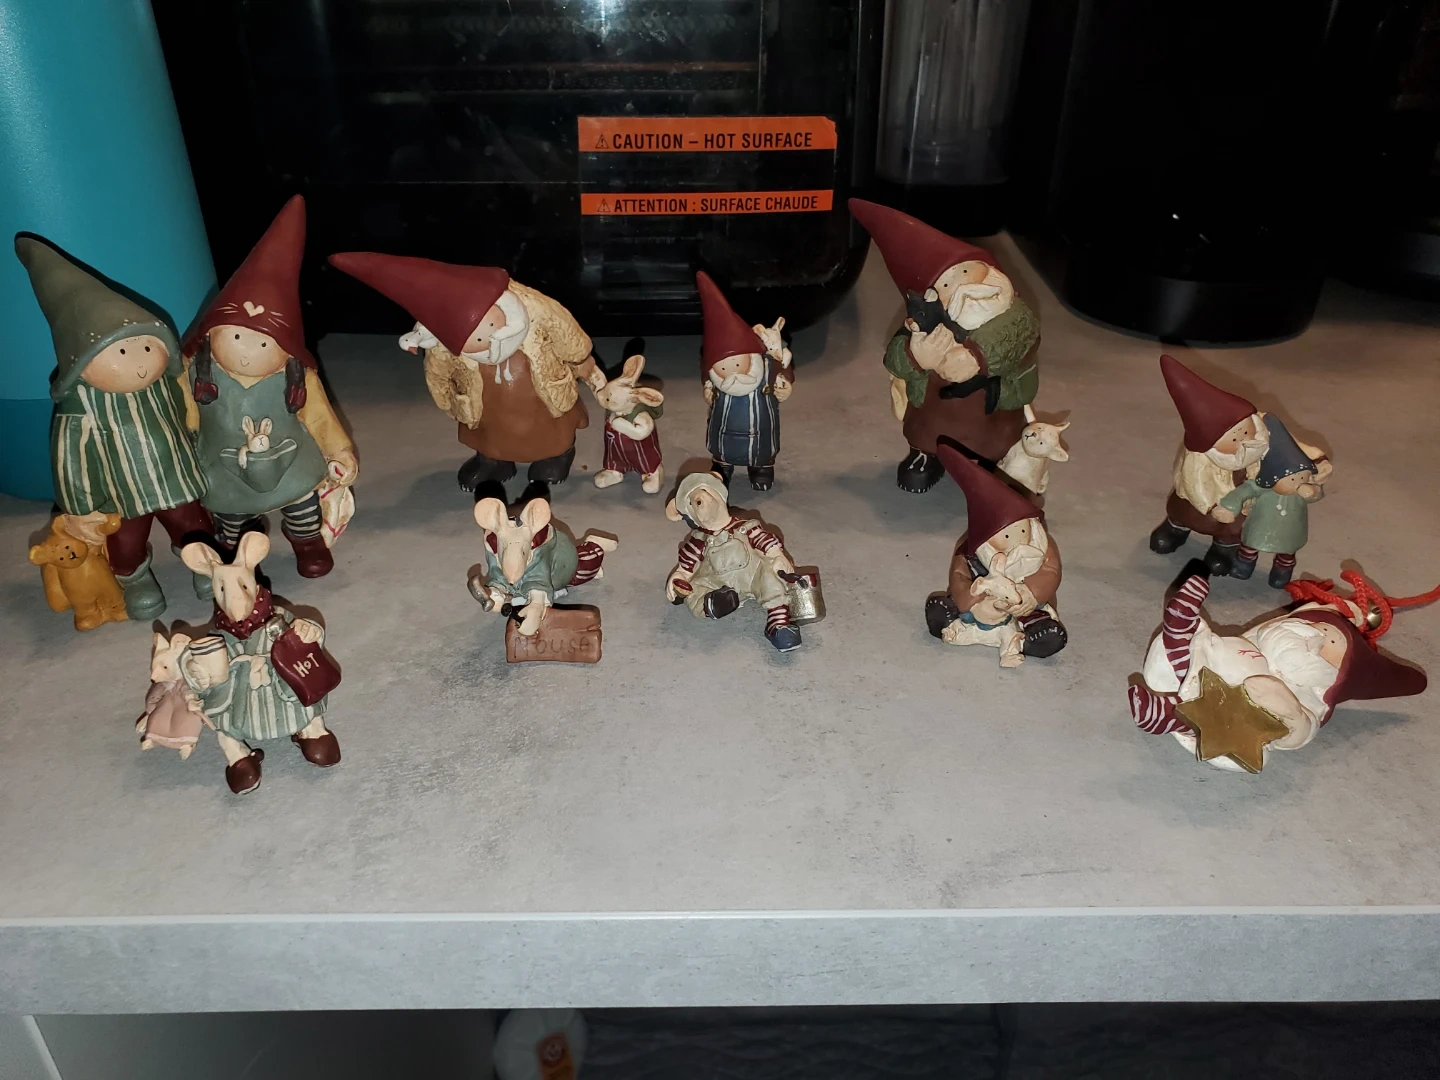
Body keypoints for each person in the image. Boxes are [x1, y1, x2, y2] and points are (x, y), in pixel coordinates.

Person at [15, 236, 213, 618]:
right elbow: (71, 461)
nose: (139, 363)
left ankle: (204, 562)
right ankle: (134, 578)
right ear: (81, 362)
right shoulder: (81, 408)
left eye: (147, 346)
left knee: (194, 525)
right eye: (121, 351)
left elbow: (185, 414)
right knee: (125, 543)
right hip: (122, 497)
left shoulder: (164, 384)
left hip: (176, 481)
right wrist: (81, 510)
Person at [327, 251, 605, 492]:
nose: (486, 344)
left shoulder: (534, 309)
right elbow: (437, 373)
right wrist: (446, 400)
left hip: (540, 392)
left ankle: (555, 455)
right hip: (483, 399)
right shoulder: (443, 343)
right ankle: (493, 460)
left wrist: (580, 359)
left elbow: (564, 329)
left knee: (551, 428)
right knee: (490, 430)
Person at [185, 196, 356, 577]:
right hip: (224, 467)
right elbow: (183, 416)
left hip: (292, 460)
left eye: (264, 342)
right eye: (236, 336)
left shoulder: (296, 376)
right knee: (231, 515)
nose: (248, 352)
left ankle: (306, 540)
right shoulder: (197, 373)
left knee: (302, 505)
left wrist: (338, 450)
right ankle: (236, 553)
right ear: (210, 334)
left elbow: (320, 417)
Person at [1129, 573, 1426, 770]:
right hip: (1214, 665)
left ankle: (1168, 714)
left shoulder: (1312, 694)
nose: (1315, 637)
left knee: (1219, 720)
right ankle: (1181, 629)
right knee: (1204, 646)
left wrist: (1289, 713)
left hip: (1236, 720)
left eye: (1330, 644)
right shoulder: (1271, 638)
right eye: (1318, 628)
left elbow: (1300, 732)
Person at [849, 199, 1041, 493]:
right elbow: (894, 357)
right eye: (949, 283)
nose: (968, 288)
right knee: (929, 428)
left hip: (994, 411)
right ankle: (927, 455)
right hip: (937, 411)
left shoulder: (1013, 315)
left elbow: (1023, 333)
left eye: (971, 272)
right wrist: (915, 356)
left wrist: (978, 357)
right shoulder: (923, 326)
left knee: (997, 439)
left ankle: (994, 463)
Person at [924, 444, 1067, 667]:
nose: (1015, 541)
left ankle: (1034, 637)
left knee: (1036, 619)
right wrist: (972, 598)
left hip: (1024, 604)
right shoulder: (970, 550)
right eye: (1005, 535)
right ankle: (948, 618)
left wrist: (1031, 593)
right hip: (979, 604)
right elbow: (959, 576)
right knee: (957, 607)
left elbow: (1051, 571)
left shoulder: (1040, 547)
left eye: (1021, 530)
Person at [665, 472, 802, 652]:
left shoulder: (745, 527)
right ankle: (713, 604)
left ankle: (778, 624)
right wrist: (679, 577)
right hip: (717, 583)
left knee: (770, 572)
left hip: (752, 575)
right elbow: (687, 566)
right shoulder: (699, 540)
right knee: (694, 590)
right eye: (692, 502)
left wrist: (777, 555)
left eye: (705, 491)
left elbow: (765, 541)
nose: (700, 500)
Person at [696, 271, 793, 491]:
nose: (732, 373)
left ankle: (761, 469)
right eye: (722, 367)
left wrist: (785, 385)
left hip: (760, 428)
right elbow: (707, 380)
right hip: (725, 428)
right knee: (722, 450)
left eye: (738, 364)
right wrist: (708, 389)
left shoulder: (766, 367)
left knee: (762, 450)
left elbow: (783, 369)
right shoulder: (715, 378)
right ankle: (722, 468)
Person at [1218, 415, 1325, 588]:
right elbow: (1244, 491)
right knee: (1250, 546)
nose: (1297, 482)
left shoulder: (1305, 488)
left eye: (1302, 476)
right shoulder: (1261, 487)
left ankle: (1281, 572)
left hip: (1291, 529)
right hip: (1261, 525)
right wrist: (1229, 506)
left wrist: (1312, 492)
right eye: (1291, 479)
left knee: (1288, 552)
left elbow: (1317, 495)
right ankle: (1244, 565)